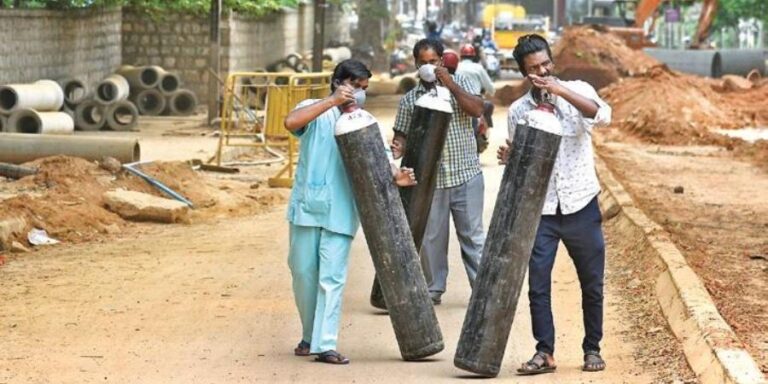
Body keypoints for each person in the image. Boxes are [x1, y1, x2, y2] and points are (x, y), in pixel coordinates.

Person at [283, 59, 417, 365]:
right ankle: (309, 336)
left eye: (363, 89)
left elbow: (383, 164)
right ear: (337, 82)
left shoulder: (365, 121)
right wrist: (331, 101)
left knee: (331, 278)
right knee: (303, 273)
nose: (358, 94)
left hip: (341, 211)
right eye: (354, 86)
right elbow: (291, 123)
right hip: (307, 206)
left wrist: (400, 176)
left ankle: (325, 343)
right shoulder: (315, 109)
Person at [497, 34, 612, 375]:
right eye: (534, 68)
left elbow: (602, 115)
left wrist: (561, 92)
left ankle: (592, 349)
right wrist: (511, 157)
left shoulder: (577, 90)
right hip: (543, 211)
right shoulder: (519, 111)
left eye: (546, 63)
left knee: (591, 283)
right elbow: (523, 162)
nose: (543, 71)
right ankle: (544, 352)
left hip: (580, 204)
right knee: (538, 284)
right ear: (524, 73)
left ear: (552, 61)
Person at [391, 38, 486, 305]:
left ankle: (482, 288)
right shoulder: (411, 100)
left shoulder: (462, 84)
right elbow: (402, 136)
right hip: (431, 181)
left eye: (434, 62)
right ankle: (434, 288)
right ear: (415, 64)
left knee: (473, 235)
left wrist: (450, 83)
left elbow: (477, 109)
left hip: (465, 174)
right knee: (432, 238)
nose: (429, 67)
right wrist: (398, 146)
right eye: (424, 63)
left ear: (442, 61)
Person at [456, 44, 495, 152]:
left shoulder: (456, 67)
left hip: (456, 102)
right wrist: (490, 91)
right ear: (473, 56)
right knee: (489, 106)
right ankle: (483, 133)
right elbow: (491, 88)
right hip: (474, 103)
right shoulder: (478, 67)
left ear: (461, 56)